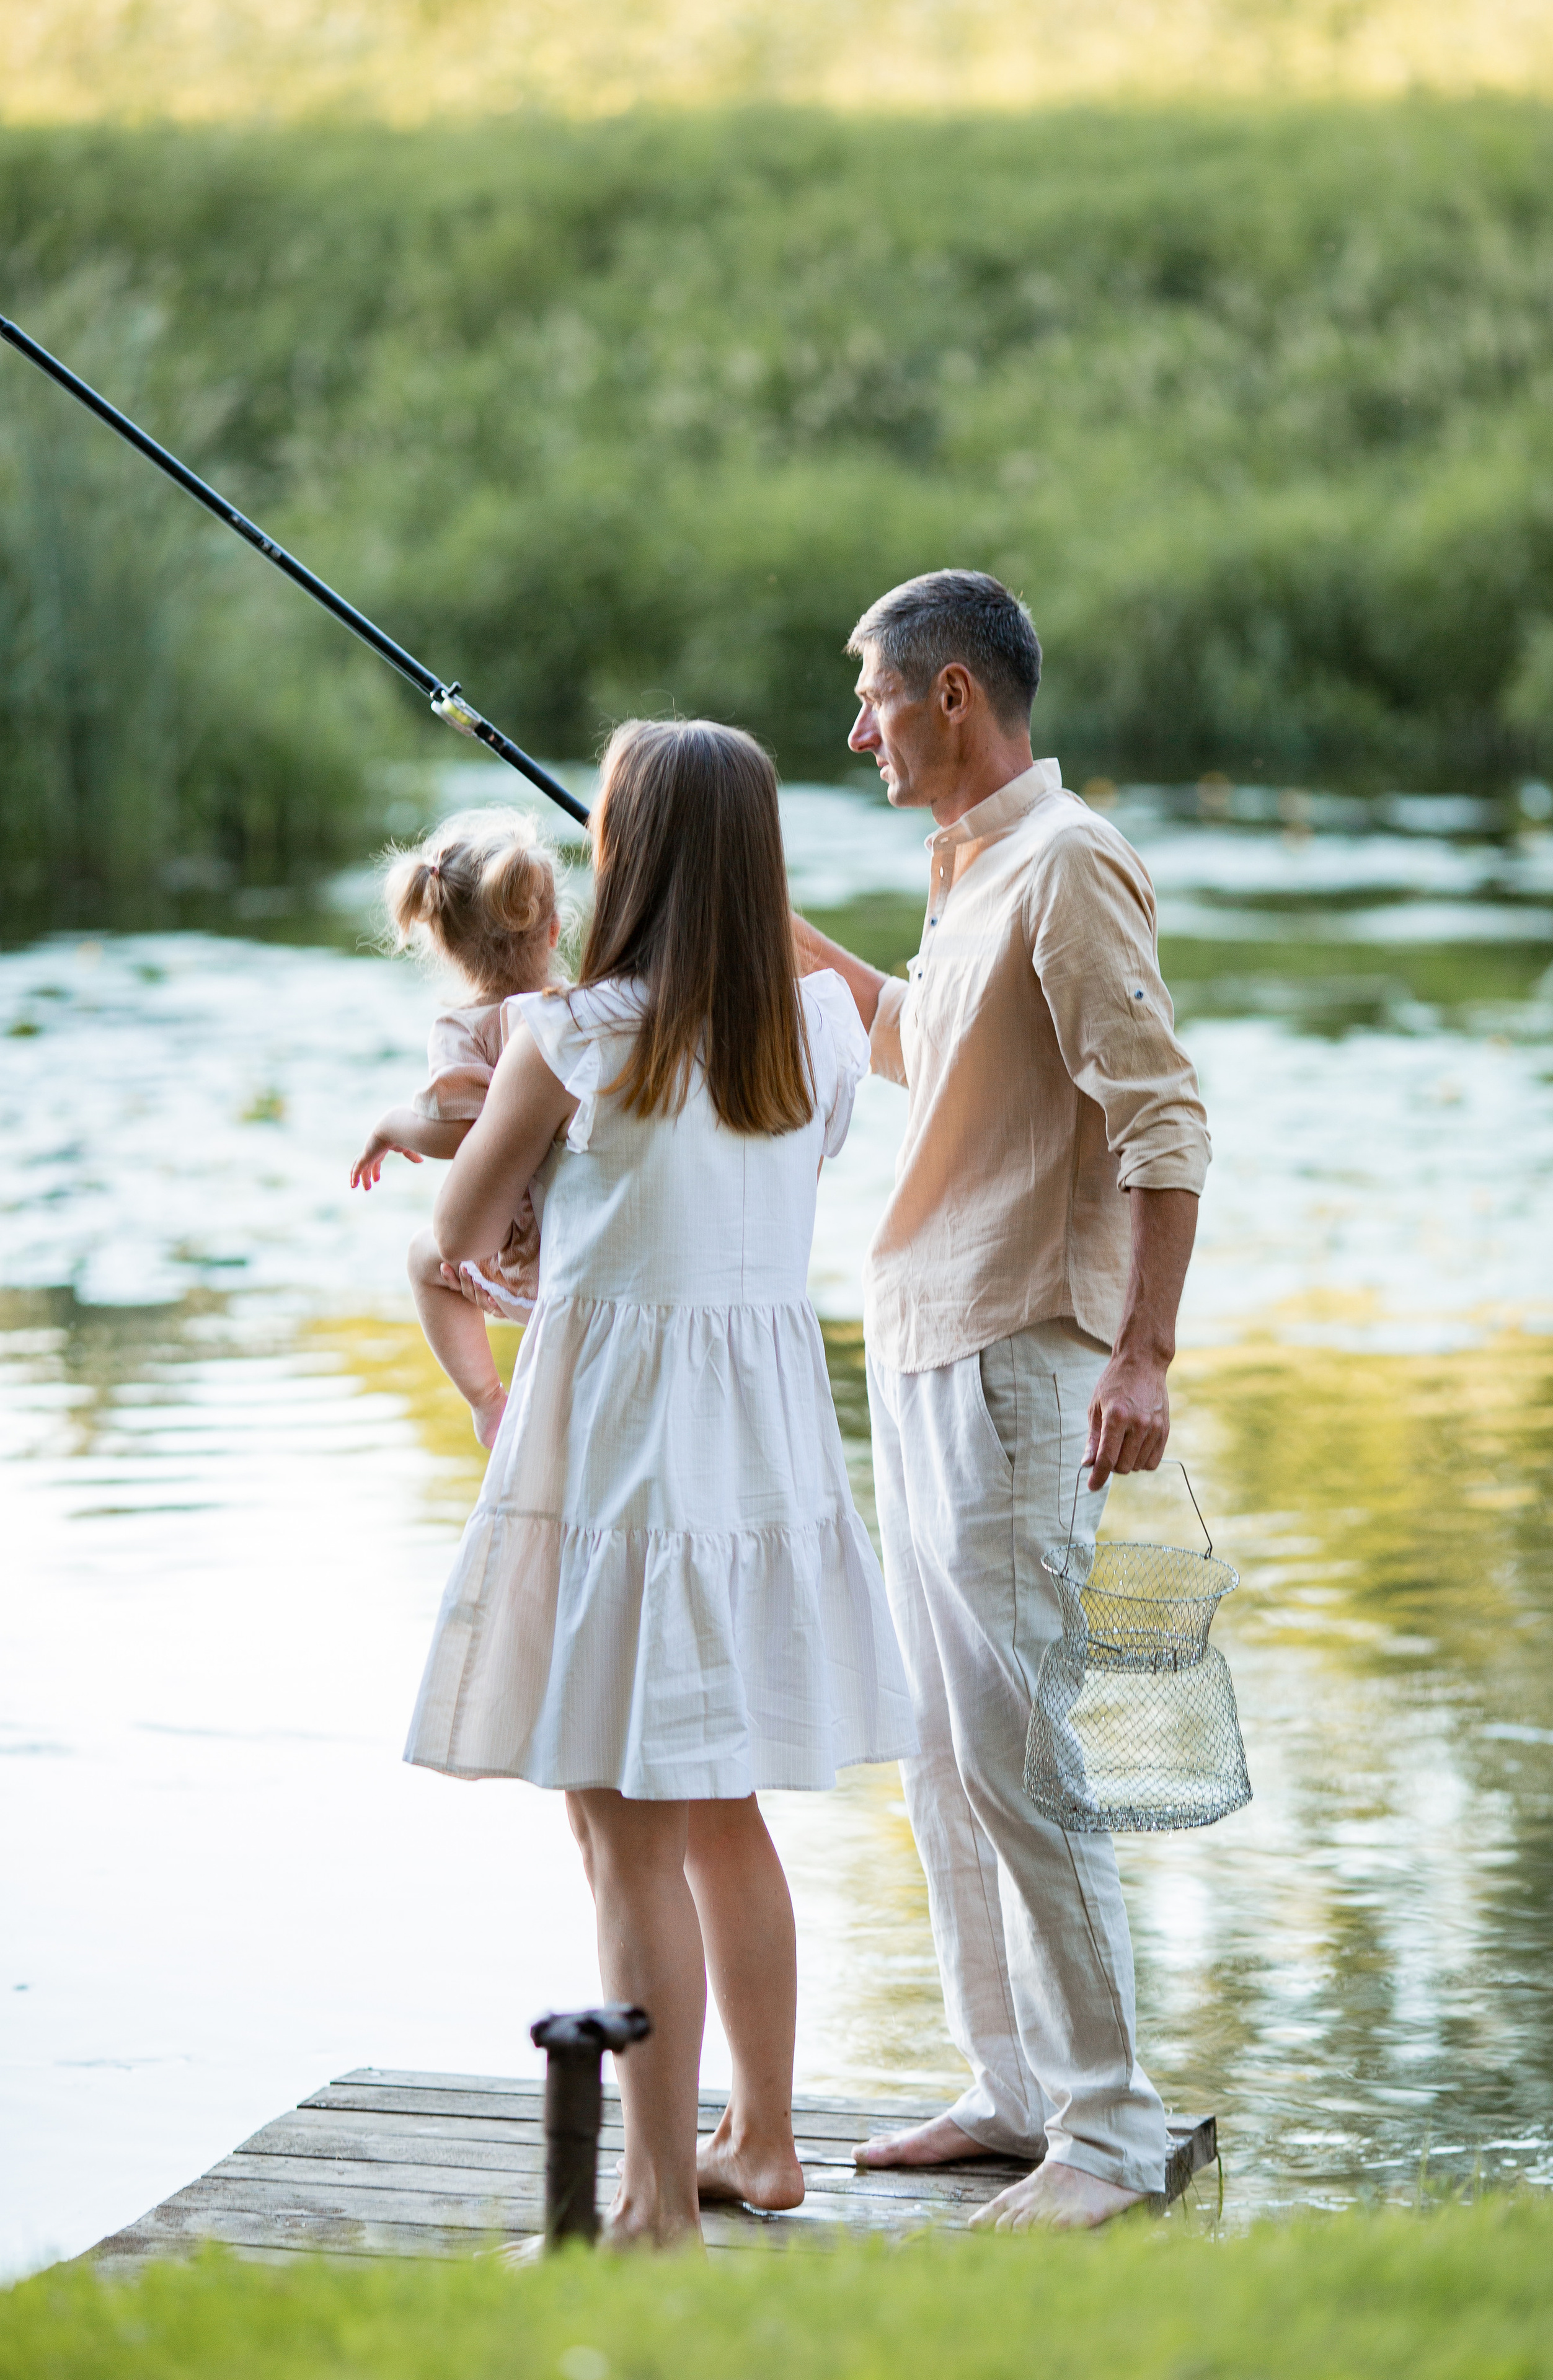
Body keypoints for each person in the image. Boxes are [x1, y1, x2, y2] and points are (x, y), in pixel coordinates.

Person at [404, 719, 918, 2248]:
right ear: (759, 869)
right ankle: (757, 2140)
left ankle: (653, 2205)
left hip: (624, 1453)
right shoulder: (811, 1034)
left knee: (620, 1822)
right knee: (719, 1811)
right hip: (755, 1460)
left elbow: (455, 1227)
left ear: (616, 855)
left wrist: (502, 1230)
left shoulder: (575, 1032)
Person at [794, 570, 1211, 2232]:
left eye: (875, 695)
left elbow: (1163, 1119)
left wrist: (1148, 1353)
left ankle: (1107, 2132)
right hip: (916, 1346)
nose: (859, 726)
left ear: (955, 695)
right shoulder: (966, 874)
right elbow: (917, 1050)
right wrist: (774, 922)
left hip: (1024, 1362)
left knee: (1020, 1751)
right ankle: (1018, 2091)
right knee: (944, 1754)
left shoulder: (1069, 861)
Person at [351, 809, 562, 1449]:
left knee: (425, 1258)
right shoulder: (576, 1008)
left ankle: (487, 1402)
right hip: (591, 1239)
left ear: (443, 945)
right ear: (554, 931)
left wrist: (394, 1125)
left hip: (529, 1263)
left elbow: (462, 1135)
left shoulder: (462, 1032)